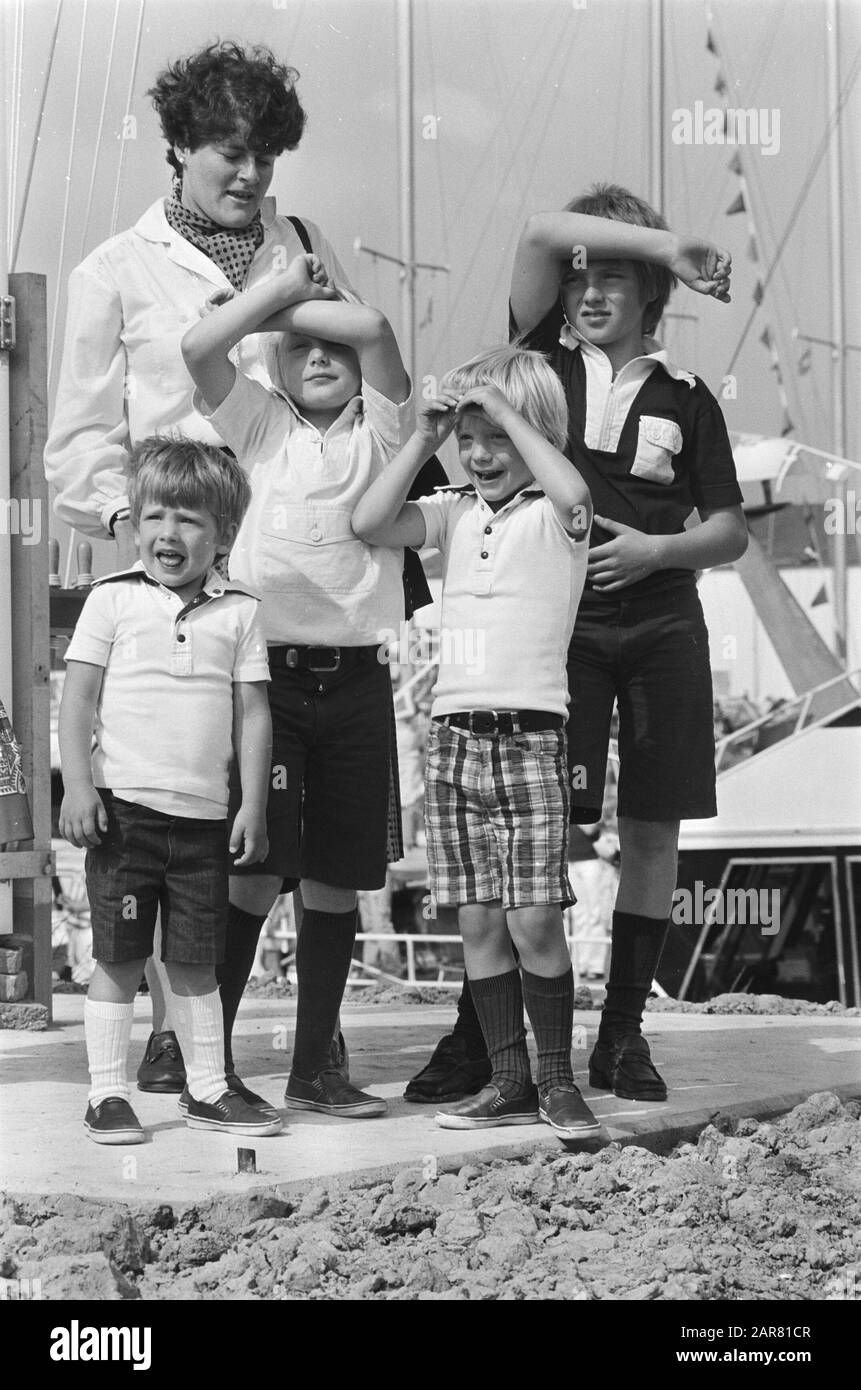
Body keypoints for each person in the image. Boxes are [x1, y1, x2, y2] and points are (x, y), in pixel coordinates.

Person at [44, 42, 361, 1101]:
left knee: (287, 828)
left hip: (300, 578)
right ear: (177, 146)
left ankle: (287, 1051)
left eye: (266, 158)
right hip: (180, 596)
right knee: (181, 826)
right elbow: (79, 449)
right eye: (231, 153)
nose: (251, 177)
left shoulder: (304, 246)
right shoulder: (112, 272)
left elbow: (347, 383)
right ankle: (170, 1043)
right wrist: (152, 530)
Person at [407, 186, 747, 1106]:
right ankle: (489, 1043)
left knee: (652, 825)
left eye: (616, 275)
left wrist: (656, 551)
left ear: (651, 292)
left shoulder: (687, 396)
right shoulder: (536, 363)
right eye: (579, 275)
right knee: (539, 832)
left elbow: (729, 531)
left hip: (664, 620)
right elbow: (537, 230)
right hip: (560, 632)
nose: (590, 289)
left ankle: (622, 1038)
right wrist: (668, 241)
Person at [181, 250, 411, 1119]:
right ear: (272, 359)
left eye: (332, 346)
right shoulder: (258, 425)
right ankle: (212, 1068)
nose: (319, 358)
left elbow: (377, 330)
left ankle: (313, 1067)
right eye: (297, 347)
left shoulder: (382, 430)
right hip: (263, 683)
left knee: (334, 880)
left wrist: (308, 301)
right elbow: (200, 350)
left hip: (355, 683)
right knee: (248, 873)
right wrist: (276, 295)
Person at [352, 344, 601, 1139]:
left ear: (532, 432)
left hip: (530, 742)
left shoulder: (557, 517)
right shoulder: (456, 508)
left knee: (535, 921)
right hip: (454, 740)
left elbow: (571, 489)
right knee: (479, 923)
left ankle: (560, 1081)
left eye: (494, 435)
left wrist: (509, 414)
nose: (481, 453)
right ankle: (507, 1082)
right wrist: (425, 437)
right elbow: (368, 520)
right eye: (470, 436)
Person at [58, 438, 280, 1144]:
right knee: (120, 957)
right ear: (133, 522)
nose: (167, 534)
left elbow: (254, 714)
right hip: (124, 817)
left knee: (194, 960)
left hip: (204, 823)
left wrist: (251, 804)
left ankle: (209, 1086)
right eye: (154, 516)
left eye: (188, 520)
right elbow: (76, 702)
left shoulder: (241, 611)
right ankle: (105, 1094)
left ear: (223, 535)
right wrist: (79, 786)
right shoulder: (110, 599)